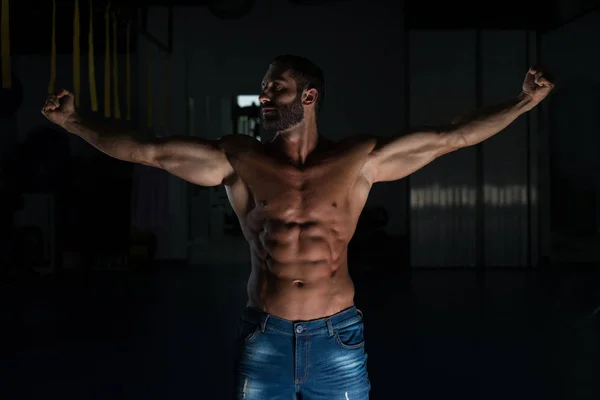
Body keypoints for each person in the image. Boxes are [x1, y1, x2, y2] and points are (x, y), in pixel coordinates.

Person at [42, 54, 554, 399]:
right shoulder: (238, 158)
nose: (264, 96)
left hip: (338, 338)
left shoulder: (358, 159)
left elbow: (453, 138)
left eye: (276, 88)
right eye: (263, 89)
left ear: (308, 97)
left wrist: (523, 102)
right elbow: (147, 152)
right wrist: (74, 123)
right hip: (265, 336)